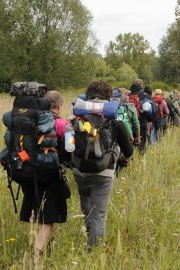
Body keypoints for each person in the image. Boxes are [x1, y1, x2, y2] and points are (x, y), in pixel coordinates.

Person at [72, 80, 134, 251]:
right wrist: (123, 158)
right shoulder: (115, 120)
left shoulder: (75, 117)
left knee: (85, 200)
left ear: (88, 94)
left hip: (79, 169)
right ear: (109, 95)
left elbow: (67, 146)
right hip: (104, 171)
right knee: (100, 213)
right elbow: (128, 150)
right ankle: (93, 253)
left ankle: (90, 228)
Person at [19, 90, 70, 257]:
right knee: (48, 218)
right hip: (50, 174)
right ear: (59, 105)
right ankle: (36, 256)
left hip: (28, 171)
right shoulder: (61, 123)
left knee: (38, 211)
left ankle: (45, 248)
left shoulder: (28, 120)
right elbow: (69, 149)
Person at [129, 79, 150, 152]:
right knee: (141, 143)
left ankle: (131, 159)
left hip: (130, 123)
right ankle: (141, 157)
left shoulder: (129, 95)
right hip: (142, 121)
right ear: (141, 85)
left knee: (131, 142)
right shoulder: (145, 95)